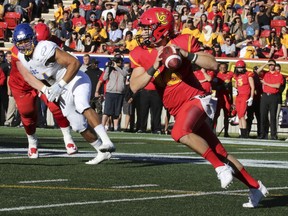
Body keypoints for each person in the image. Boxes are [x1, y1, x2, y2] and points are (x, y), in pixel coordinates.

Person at [129, 7, 268, 208]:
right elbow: (134, 85)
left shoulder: (182, 41)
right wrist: (155, 66)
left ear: (161, 28)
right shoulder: (140, 53)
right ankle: (256, 187)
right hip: (178, 109)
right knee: (220, 151)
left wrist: (187, 55)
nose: (142, 32)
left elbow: (212, 64)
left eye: (147, 28)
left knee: (179, 132)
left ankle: (220, 168)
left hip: (196, 99)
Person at [12, 23, 115, 164]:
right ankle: (101, 151)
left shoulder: (44, 48)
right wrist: (45, 89)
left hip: (74, 79)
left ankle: (107, 141)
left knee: (81, 104)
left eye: (26, 42)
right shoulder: (22, 57)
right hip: (59, 87)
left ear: (33, 39)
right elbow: (29, 77)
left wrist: (60, 85)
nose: (24, 46)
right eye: (20, 43)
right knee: (78, 125)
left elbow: (74, 63)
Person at [256, 59, 284, 140]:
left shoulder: (279, 75)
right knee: (263, 116)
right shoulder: (265, 73)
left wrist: (266, 83)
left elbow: (277, 86)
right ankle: (263, 134)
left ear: (275, 66)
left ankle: (273, 135)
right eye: (270, 65)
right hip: (265, 96)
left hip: (273, 96)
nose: (271, 66)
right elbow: (257, 71)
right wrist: (266, 63)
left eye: (273, 65)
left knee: (273, 116)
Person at [101, 54, 129, 131]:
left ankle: (116, 127)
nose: (117, 62)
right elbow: (104, 78)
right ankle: (102, 126)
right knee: (107, 111)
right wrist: (108, 68)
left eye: (118, 61)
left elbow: (125, 74)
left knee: (117, 112)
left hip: (120, 93)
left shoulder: (124, 68)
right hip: (110, 92)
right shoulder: (110, 69)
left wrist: (116, 67)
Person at [233, 60, 255, 138]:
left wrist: (251, 97)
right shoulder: (236, 75)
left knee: (242, 114)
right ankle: (241, 132)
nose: (239, 69)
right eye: (238, 68)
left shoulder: (248, 74)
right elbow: (236, 86)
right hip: (238, 96)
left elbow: (252, 87)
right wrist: (235, 89)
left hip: (245, 95)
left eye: (241, 67)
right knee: (239, 115)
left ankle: (244, 133)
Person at [213, 62, 233, 137]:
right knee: (216, 114)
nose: (223, 69)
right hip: (218, 96)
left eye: (224, 67)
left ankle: (226, 132)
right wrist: (220, 86)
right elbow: (214, 85)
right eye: (221, 67)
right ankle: (213, 131)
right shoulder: (216, 74)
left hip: (226, 96)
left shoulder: (230, 74)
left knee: (227, 114)